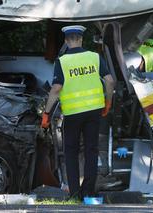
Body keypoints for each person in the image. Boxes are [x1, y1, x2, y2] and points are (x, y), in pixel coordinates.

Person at [41, 25, 115, 199]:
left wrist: (46, 113)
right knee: (91, 150)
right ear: (81, 39)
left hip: (73, 114)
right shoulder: (95, 57)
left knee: (71, 152)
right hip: (94, 112)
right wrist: (108, 103)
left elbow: (56, 88)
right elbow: (110, 81)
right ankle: (88, 190)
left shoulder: (62, 61)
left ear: (67, 41)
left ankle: (75, 194)